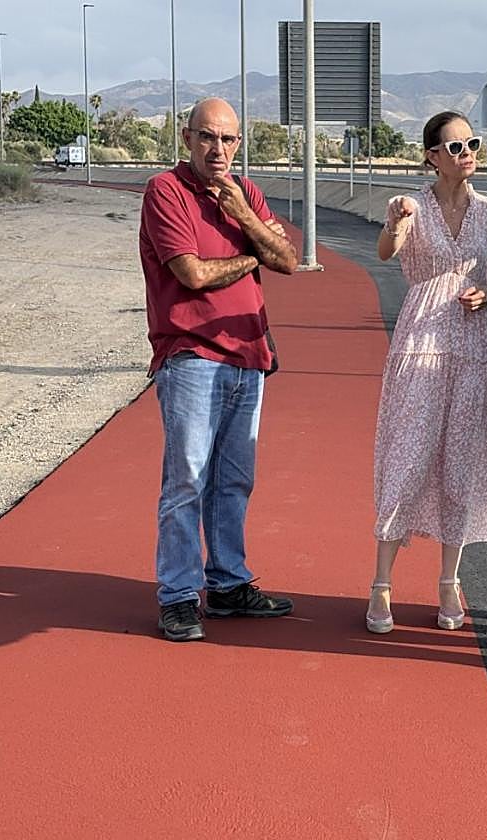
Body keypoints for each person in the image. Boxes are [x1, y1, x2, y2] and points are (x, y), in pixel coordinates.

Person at [138, 97, 299, 642]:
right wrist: (254, 254)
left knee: (234, 479)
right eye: (208, 137)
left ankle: (228, 583)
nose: (219, 149)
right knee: (186, 477)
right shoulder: (167, 192)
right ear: (187, 139)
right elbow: (193, 274)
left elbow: (290, 259)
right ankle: (178, 595)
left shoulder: (247, 193)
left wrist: (246, 216)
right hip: (192, 355)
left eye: (229, 140)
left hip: (247, 357)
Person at [366, 110, 487, 634]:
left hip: (472, 346)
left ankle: (449, 581)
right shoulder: (409, 206)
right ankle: (381, 583)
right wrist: (394, 224)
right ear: (430, 156)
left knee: (460, 464)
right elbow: (386, 253)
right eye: (453, 146)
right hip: (421, 343)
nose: (466, 152)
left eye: (471, 143)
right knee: (407, 456)